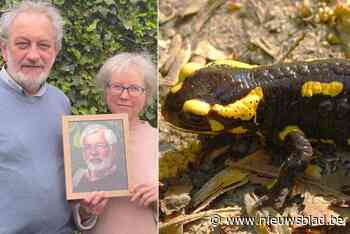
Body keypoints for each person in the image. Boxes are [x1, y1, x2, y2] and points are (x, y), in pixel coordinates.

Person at [0, 1, 106, 233]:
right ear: (3, 49)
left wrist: (86, 209)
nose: (34, 55)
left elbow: (67, 181)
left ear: (55, 52)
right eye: (22, 44)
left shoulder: (61, 102)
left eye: (44, 45)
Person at [76, 52, 158, 234]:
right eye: (117, 87)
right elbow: (74, 214)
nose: (124, 95)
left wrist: (160, 196)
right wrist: (86, 210)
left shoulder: (157, 139)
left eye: (134, 88)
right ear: (106, 90)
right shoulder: (85, 135)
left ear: (147, 94)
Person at [73, 124, 128, 192]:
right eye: (88, 147)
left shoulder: (122, 182)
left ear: (113, 149)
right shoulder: (77, 178)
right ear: (83, 152)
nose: (93, 152)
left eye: (99, 146)